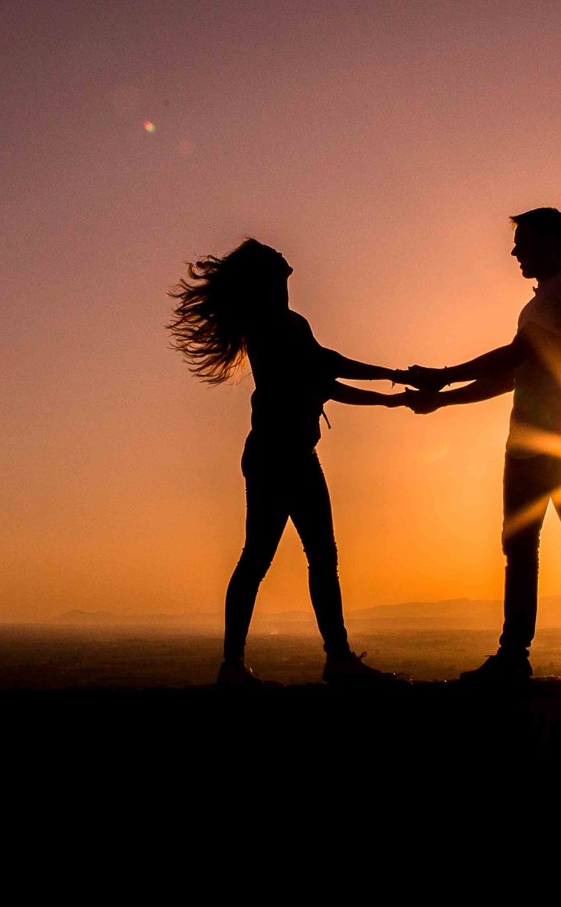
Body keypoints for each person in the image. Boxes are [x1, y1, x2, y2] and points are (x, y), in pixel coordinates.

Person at [170, 238, 419, 687]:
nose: (286, 257)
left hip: (295, 455)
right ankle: (249, 665)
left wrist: (389, 397)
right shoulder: (270, 326)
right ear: (268, 275)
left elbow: (322, 381)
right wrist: (393, 381)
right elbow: (326, 368)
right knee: (268, 558)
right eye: (274, 257)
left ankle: (328, 658)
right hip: (277, 456)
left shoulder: (288, 323)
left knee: (310, 557)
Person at [407, 208, 561, 680]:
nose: (515, 251)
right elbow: (514, 376)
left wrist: (443, 376)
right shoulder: (538, 304)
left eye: (524, 241)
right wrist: (444, 398)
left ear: (552, 242)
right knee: (523, 548)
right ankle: (516, 654)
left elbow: (520, 355)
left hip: (559, 443)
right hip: (525, 445)